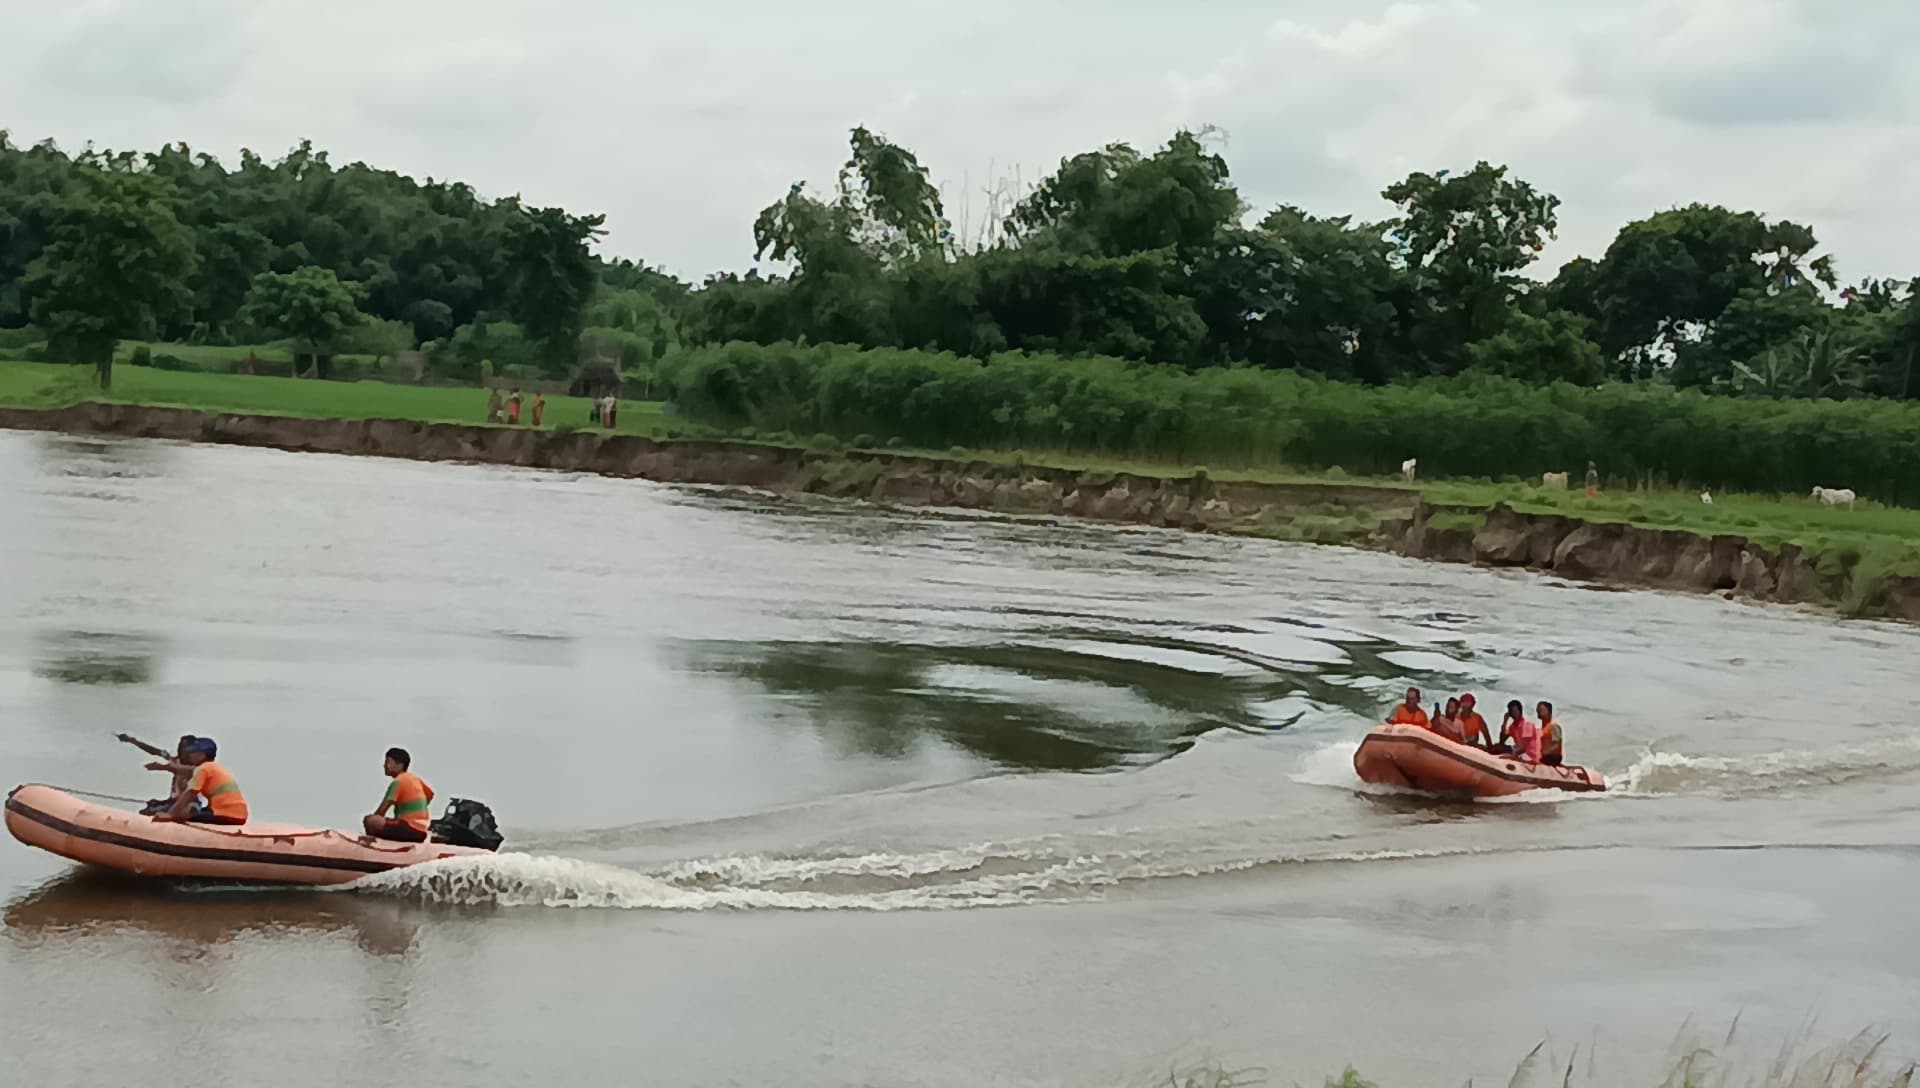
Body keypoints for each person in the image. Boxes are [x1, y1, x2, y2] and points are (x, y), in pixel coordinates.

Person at [152, 737, 248, 825]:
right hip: (239, 814)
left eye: (193, 752)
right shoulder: (215, 767)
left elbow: (190, 793)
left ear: (202, 755)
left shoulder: (202, 769)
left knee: (184, 817)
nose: (190, 756)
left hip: (225, 814)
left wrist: (171, 815)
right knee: (197, 812)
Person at [363, 747, 435, 843]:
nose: (384, 765)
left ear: (400, 765)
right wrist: (416, 808)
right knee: (389, 822)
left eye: (388, 762)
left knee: (370, 820)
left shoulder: (399, 781)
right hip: (422, 832)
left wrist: (371, 825)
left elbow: (381, 811)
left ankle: (371, 844)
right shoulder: (415, 779)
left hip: (408, 828)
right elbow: (430, 795)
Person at [118, 732, 196, 815]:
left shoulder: (196, 767)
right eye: (181, 747)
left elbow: (179, 769)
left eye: (185, 748)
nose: (182, 750)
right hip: (173, 802)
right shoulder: (176, 760)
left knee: (149, 812)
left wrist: (162, 767)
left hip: (187, 806)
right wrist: (133, 741)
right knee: (151, 805)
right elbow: (154, 751)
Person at [1493, 700, 1542, 764]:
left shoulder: (1527, 725)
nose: (1513, 714)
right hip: (1518, 750)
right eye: (1511, 712)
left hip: (1529, 754)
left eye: (1515, 711)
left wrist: (1510, 756)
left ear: (1520, 711)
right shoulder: (1513, 726)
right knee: (1496, 747)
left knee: (1500, 752)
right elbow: (1502, 740)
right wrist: (1505, 721)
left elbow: (1524, 748)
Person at [1537, 701, 1564, 766]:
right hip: (1544, 756)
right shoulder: (1543, 728)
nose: (1538, 711)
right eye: (1538, 710)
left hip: (1552, 757)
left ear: (1548, 711)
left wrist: (1545, 752)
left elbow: (1558, 744)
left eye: (1541, 709)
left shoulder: (1553, 726)